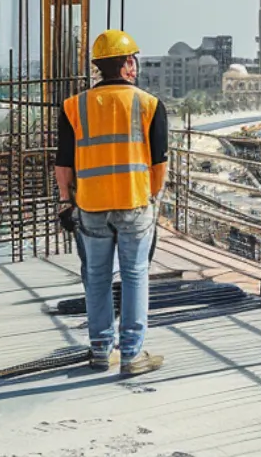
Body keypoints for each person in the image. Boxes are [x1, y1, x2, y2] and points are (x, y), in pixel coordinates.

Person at [54, 28, 169, 376]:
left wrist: (64, 202)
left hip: (90, 205)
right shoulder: (149, 105)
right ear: (128, 64)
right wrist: (151, 196)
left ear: (98, 68)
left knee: (96, 277)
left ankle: (101, 349)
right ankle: (132, 354)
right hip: (134, 202)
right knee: (135, 276)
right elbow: (159, 164)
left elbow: (63, 163)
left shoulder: (74, 107)